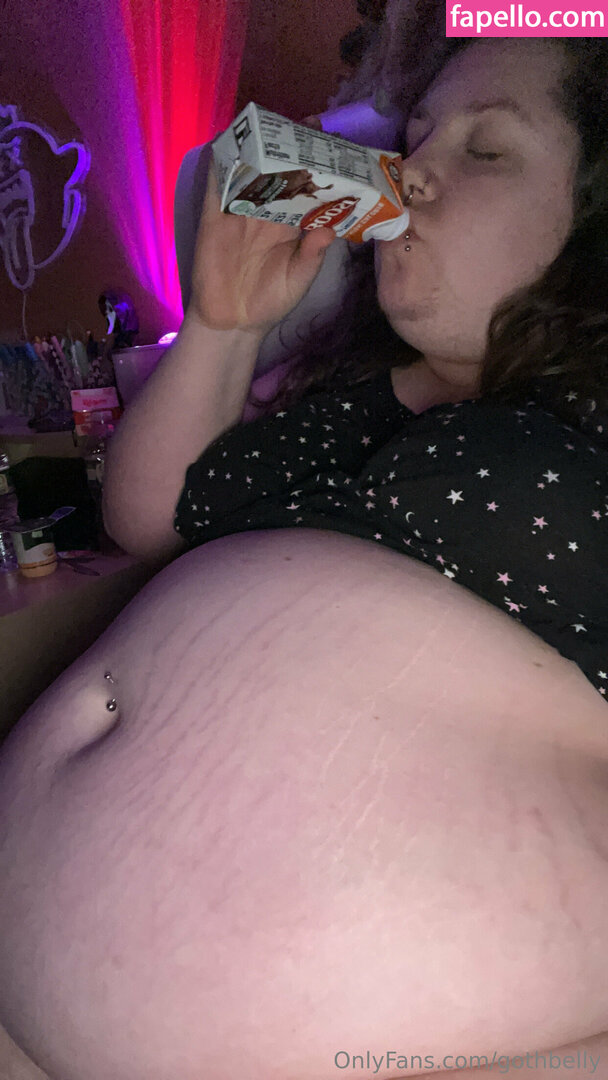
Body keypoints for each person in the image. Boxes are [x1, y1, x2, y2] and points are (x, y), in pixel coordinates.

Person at [1, 25, 607, 1080]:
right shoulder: (366, 396)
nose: (410, 174)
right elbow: (154, 517)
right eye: (415, 139)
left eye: (484, 149)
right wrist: (224, 325)